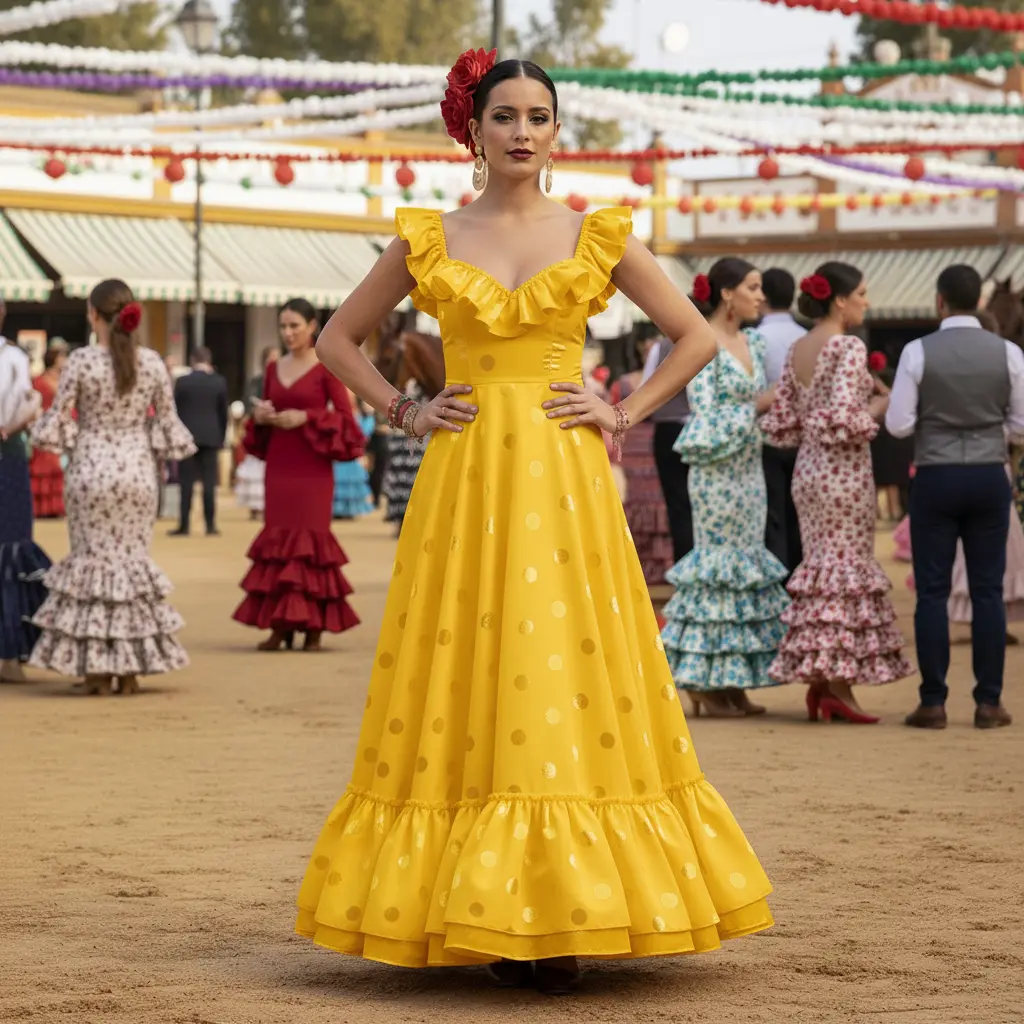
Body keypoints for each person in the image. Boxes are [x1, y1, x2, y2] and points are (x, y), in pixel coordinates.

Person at [293, 53, 772, 996]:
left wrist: (622, 412)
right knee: (467, 663)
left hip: (563, 481)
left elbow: (695, 337)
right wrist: (405, 410)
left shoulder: (596, 233)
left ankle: (560, 915)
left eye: (539, 116)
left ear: (557, 131)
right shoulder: (428, 236)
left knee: (561, 660)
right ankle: (484, 909)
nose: (522, 131)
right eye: (505, 115)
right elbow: (340, 340)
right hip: (464, 479)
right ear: (471, 129)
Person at [28, 280, 195, 695]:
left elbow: (59, 420)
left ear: (93, 315)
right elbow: (166, 423)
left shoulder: (81, 361)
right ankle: (131, 668)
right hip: (137, 472)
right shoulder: (152, 362)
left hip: (90, 471)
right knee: (131, 564)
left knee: (92, 564)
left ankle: (98, 670)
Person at [762, 264, 911, 723]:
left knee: (822, 570)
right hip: (842, 471)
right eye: (862, 293)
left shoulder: (800, 347)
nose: (867, 301)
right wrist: (881, 404)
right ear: (840, 300)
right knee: (843, 570)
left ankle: (824, 682)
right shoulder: (847, 346)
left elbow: (785, 419)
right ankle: (837, 686)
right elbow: (846, 418)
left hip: (808, 469)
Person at [886, 264, 1024, 730]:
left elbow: (899, 424)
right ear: (979, 302)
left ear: (939, 301)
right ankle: (989, 702)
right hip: (988, 474)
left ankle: (933, 702)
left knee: (932, 592)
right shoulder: (1008, 352)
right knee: (988, 591)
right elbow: (1021, 424)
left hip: (936, 475)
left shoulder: (917, 351)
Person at [660, 260, 790, 718]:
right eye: (753, 287)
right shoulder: (700, 340)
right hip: (714, 471)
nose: (761, 296)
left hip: (750, 469)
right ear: (727, 293)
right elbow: (704, 414)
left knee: (745, 568)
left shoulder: (755, 341)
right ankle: (705, 683)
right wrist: (758, 405)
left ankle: (732, 682)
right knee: (717, 569)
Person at [232, 298, 365, 652]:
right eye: (283, 326)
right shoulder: (272, 369)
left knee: (311, 544)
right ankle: (281, 626)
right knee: (278, 540)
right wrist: (262, 416)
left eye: (295, 326)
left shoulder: (327, 367)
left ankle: (313, 627)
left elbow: (348, 422)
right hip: (279, 464)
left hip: (312, 468)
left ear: (312, 327)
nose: (288, 333)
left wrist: (306, 417)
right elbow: (264, 412)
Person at [0, 299, 51, 683]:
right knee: (11, 548)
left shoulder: (14, 357)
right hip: (9, 452)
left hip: (9, 456)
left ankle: (11, 654)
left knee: (11, 548)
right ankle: (11, 655)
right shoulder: (15, 357)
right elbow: (29, 406)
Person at [609, 337, 673, 584]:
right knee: (634, 503)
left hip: (653, 444)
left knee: (659, 502)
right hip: (630, 448)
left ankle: (661, 567)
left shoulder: (666, 379)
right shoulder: (623, 382)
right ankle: (635, 566)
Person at [757, 268, 805, 578]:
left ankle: (778, 582)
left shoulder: (756, 339)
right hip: (804, 436)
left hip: (766, 436)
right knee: (800, 515)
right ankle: (800, 578)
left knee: (772, 515)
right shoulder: (805, 337)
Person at [642, 335, 694, 563]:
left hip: (671, 428)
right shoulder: (716, 340)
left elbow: (647, 388)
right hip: (692, 428)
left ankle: (685, 566)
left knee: (679, 506)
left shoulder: (661, 347)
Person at [171, 345, 228, 537]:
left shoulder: (182, 382)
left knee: (186, 482)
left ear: (192, 360)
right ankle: (210, 525)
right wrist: (221, 437)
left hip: (187, 437)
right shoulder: (219, 382)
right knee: (209, 482)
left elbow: (175, 412)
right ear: (209, 361)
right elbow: (223, 413)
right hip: (211, 436)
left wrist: (176, 436)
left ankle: (184, 525)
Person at [29, 346, 68, 519]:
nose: (64, 359)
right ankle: (40, 507)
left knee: (56, 466)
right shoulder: (39, 380)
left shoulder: (65, 380)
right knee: (41, 464)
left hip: (59, 427)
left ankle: (55, 506)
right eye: (61, 356)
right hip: (42, 425)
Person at [332, 394, 375, 519]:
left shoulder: (356, 416)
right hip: (342, 454)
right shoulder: (349, 416)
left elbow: (364, 434)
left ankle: (345, 509)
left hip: (351, 454)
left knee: (349, 480)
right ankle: (339, 509)